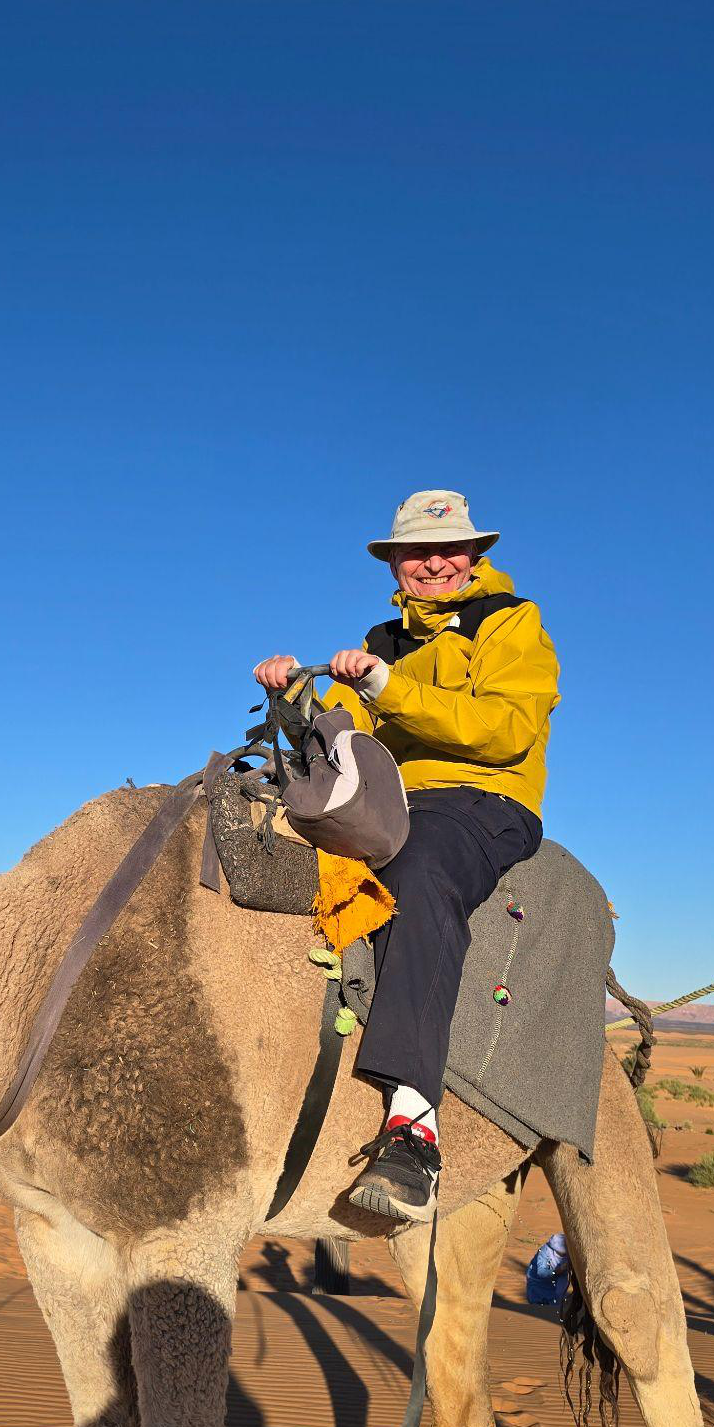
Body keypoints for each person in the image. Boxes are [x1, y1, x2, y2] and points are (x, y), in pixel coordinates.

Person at [254, 489, 559, 1223]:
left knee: (417, 871)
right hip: (386, 797)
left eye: (447, 549)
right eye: (416, 551)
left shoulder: (511, 622)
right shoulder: (381, 640)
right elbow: (347, 737)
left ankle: (414, 1126)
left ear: (473, 555)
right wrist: (296, 702)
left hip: (483, 800)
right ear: (394, 563)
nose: (433, 563)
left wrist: (389, 687)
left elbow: (505, 729)